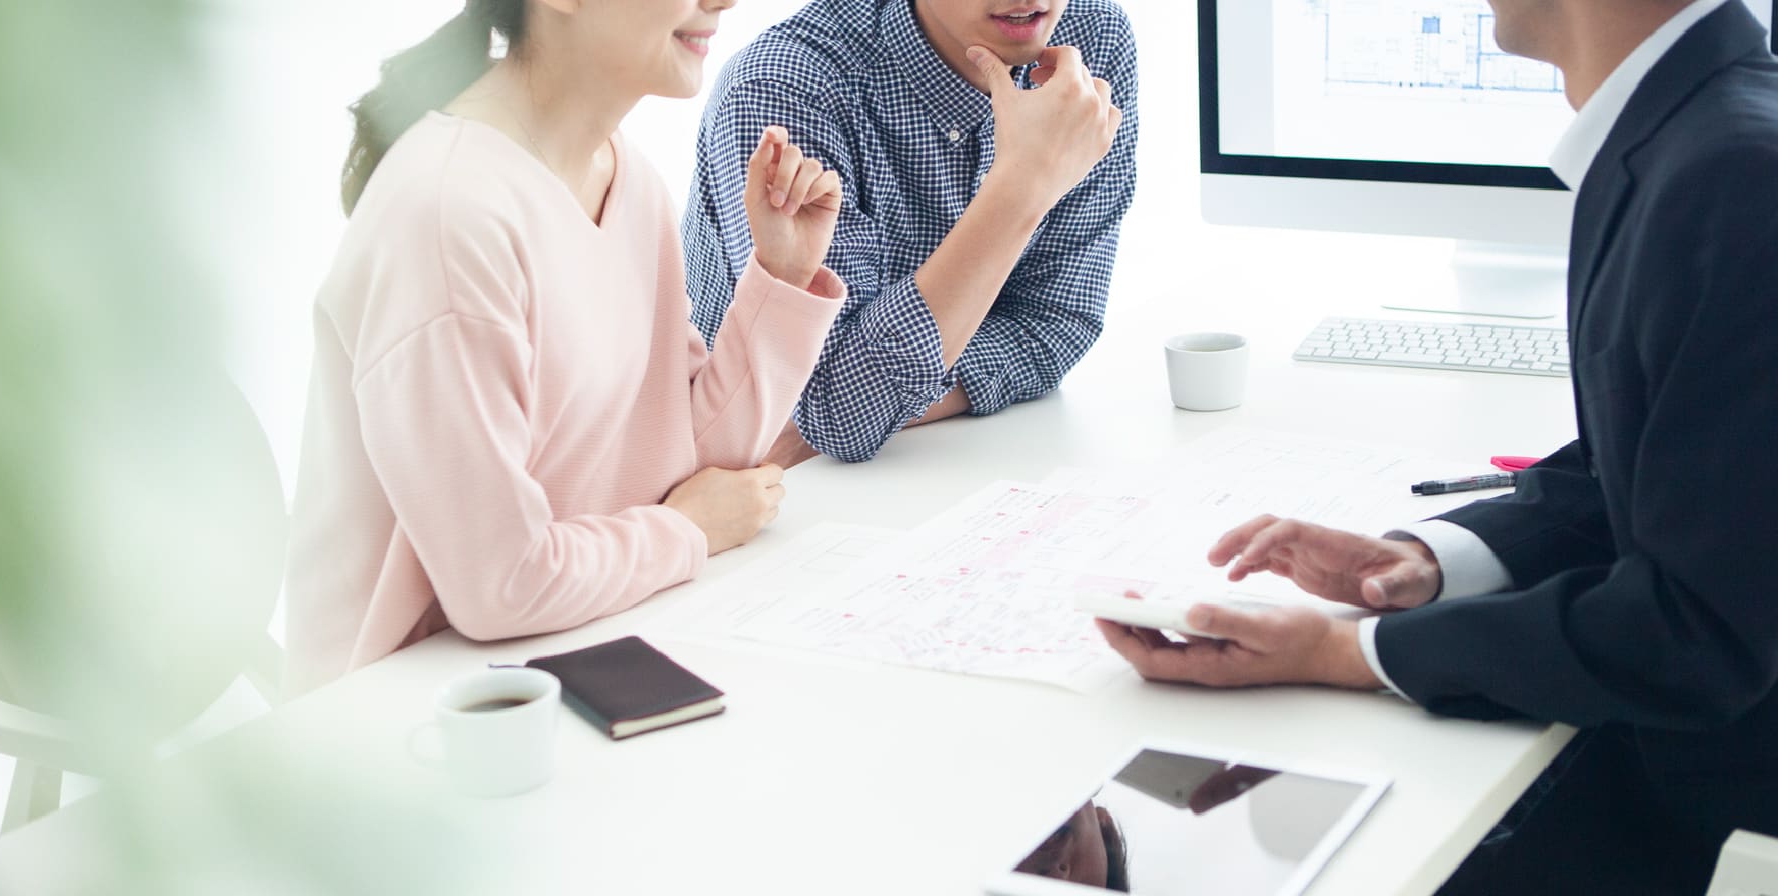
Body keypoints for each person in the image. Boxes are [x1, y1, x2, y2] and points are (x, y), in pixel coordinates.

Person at [1095, 1, 1778, 891]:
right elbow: (1653, 467)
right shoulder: (1693, 129)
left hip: (1708, 797)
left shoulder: (1734, 177)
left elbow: (1696, 635)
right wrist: (1426, 562)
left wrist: (1347, 655)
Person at [285, 0, 850, 691]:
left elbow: (689, 468)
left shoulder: (626, 177)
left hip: (569, 647)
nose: (723, 2)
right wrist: (686, 533)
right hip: (413, 714)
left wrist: (782, 277)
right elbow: (502, 585)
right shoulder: (446, 215)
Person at [682, 0, 1136, 464]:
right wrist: (1022, 187)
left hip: (951, 467)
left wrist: (884, 397)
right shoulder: (786, 85)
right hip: (745, 494)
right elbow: (842, 415)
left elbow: (1055, 325)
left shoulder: (1090, 35)